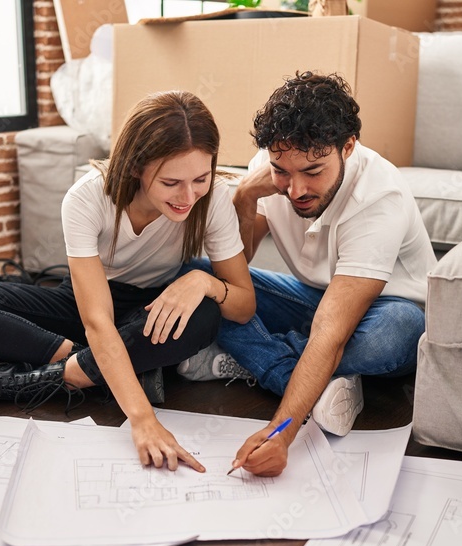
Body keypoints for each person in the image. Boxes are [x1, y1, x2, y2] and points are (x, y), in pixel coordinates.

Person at [0, 91, 255, 472]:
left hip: (145, 315)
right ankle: (106, 369)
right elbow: (97, 320)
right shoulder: (87, 198)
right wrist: (142, 419)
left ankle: (47, 378)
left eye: (201, 178)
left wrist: (204, 282)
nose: (188, 195)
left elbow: (244, 306)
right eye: (171, 182)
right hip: (86, 305)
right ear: (136, 167)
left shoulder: (211, 202)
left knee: (205, 315)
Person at [178, 71, 437, 476]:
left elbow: (333, 331)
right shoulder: (270, 167)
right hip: (311, 298)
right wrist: (246, 193)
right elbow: (237, 267)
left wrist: (281, 432)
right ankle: (305, 377)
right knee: (195, 278)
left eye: (313, 172)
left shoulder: (379, 197)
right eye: (282, 171)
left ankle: (256, 360)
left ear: (347, 147)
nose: (295, 189)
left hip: (389, 311)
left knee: (388, 335)